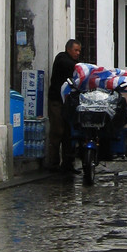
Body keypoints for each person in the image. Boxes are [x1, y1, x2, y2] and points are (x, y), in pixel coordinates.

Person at [46, 38, 82, 171]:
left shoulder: (75, 63)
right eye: (76, 50)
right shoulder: (62, 58)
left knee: (69, 132)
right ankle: (53, 163)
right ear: (68, 49)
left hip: (69, 104)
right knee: (57, 131)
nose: (78, 53)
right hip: (57, 101)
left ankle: (68, 163)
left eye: (79, 51)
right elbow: (70, 66)